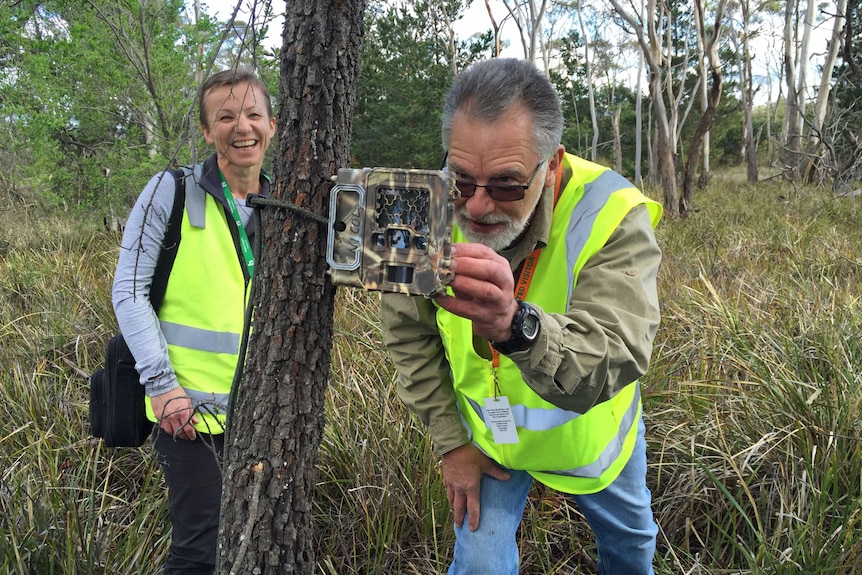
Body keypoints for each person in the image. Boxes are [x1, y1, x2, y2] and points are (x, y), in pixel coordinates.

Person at [380, 58, 663, 574]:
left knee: (632, 550)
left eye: (507, 184)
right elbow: (408, 334)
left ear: (551, 166)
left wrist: (514, 327)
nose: (479, 206)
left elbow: (615, 352)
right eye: (462, 179)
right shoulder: (419, 207)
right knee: (481, 565)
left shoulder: (611, 212)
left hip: (592, 440)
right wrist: (452, 444)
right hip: (489, 441)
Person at [112, 68, 275, 574]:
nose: (241, 127)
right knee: (199, 551)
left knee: (259, 542)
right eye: (225, 117)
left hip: (266, 418)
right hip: (190, 416)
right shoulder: (171, 190)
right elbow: (128, 290)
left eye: (252, 114)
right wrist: (162, 387)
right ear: (207, 131)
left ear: (272, 125)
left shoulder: (288, 203)